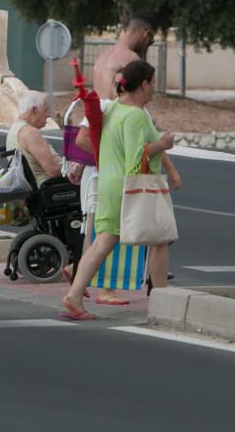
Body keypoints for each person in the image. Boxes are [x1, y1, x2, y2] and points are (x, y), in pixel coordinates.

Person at [61, 61, 177, 320]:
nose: (153, 91)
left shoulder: (114, 108)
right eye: (152, 84)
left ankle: (75, 294)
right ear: (144, 84)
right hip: (130, 188)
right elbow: (136, 159)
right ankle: (162, 303)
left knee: (103, 242)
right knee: (158, 239)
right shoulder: (135, 115)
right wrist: (162, 143)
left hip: (109, 183)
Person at [92, 15, 155, 99]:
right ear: (145, 33)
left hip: (97, 111)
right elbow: (137, 99)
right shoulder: (131, 58)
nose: (148, 44)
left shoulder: (102, 57)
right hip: (115, 111)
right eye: (150, 41)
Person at [6, 91, 62, 187]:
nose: (48, 115)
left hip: (31, 189)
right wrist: (72, 167)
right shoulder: (30, 133)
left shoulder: (14, 129)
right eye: (46, 110)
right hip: (49, 189)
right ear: (34, 110)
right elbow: (52, 170)